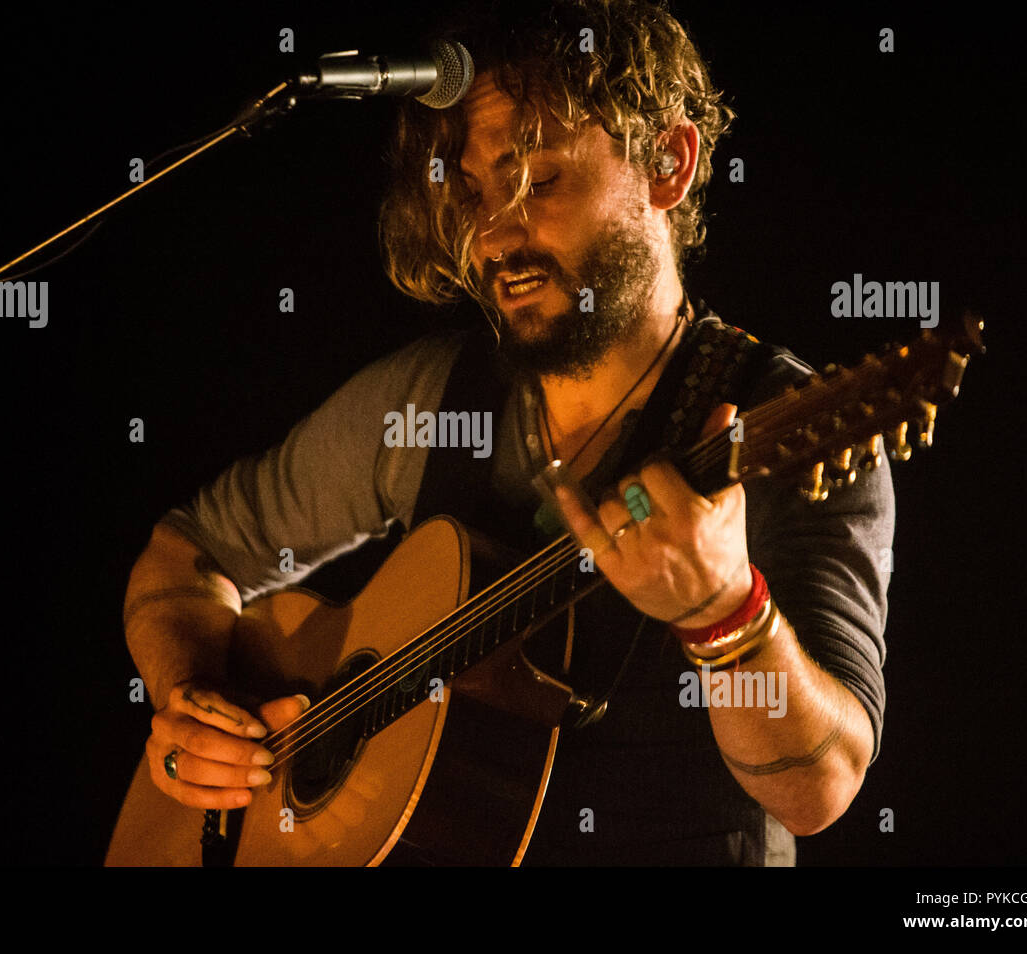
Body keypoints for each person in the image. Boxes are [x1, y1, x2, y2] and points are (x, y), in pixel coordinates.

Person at [120, 0, 893, 865]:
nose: (495, 235)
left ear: (668, 165)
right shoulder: (429, 397)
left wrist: (727, 616)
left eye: (541, 181)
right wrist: (192, 698)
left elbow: (821, 789)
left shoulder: (786, 427)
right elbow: (190, 551)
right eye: (477, 193)